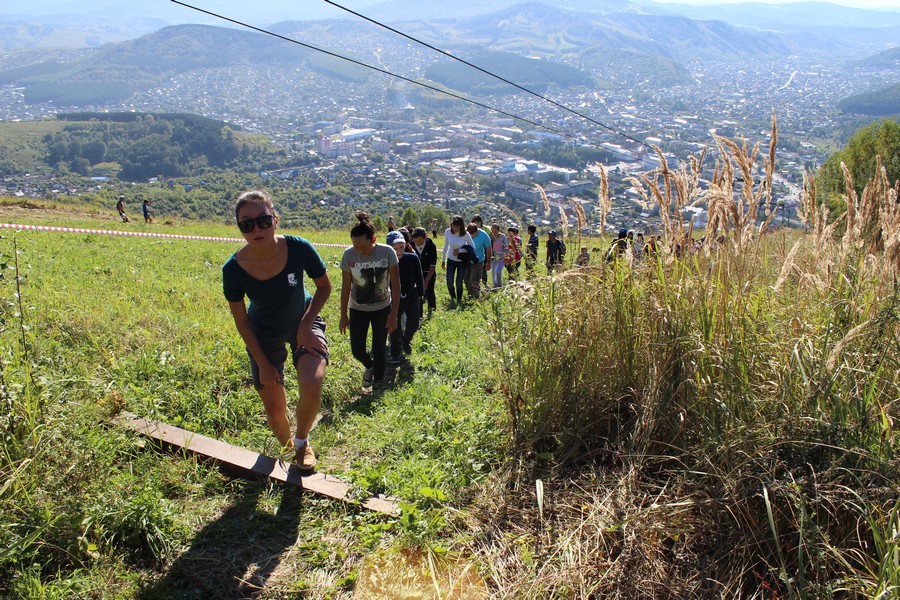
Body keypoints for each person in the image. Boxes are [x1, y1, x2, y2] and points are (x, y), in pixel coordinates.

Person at [222, 190, 331, 472]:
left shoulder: (299, 248)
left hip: (302, 318)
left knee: (313, 381)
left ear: (275, 219)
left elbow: (324, 287)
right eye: (247, 224)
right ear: (240, 228)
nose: (256, 229)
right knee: (274, 407)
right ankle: (287, 448)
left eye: (263, 220)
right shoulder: (233, 269)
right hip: (262, 331)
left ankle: (302, 441)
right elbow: (242, 321)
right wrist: (262, 362)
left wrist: (306, 326)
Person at [340, 212, 400, 389]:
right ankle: (369, 366)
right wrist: (343, 314)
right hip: (358, 308)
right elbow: (345, 286)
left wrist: (394, 314)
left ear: (373, 239)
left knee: (379, 348)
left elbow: (396, 285)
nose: (359, 250)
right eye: (355, 246)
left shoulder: (387, 252)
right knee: (357, 349)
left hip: (382, 308)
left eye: (363, 246)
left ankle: (378, 383)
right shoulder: (348, 255)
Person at [387, 231, 424, 364]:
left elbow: (419, 276)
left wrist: (421, 293)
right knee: (394, 326)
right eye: (395, 248)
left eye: (401, 247)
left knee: (414, 323)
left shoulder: (412, 258)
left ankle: (405, 341)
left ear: (406, 245)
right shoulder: (386, 262)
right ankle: (395, 352)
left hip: (412, 295)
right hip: (394, 297)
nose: (398, 251)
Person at [441, 216, 474, 308]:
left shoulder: (466, 234)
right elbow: (445, 246)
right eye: (453, 226)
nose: (455, 228)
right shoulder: (448, 232)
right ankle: (453, 297)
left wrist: (460, 250)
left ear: (461, 226)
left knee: (459, 283)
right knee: (449, 282)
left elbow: (472, 247)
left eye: (457, 226)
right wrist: (443, 260)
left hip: (461, 261)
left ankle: (459, 300)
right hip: (451, 260)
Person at [412, 227, 437, 318]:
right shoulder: (410, 245)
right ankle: (419, 314)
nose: (417, 243)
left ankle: (432, 308)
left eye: (419, 241)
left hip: (428, 272)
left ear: (425, 237)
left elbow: (432, 266)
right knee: (418, 294)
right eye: (415, 241)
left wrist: (426, 281)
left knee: (430, 291)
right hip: (416, 273)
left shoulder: (431, 245)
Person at [466, 223, 492, 299]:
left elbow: (488, 248)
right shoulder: (466, 234)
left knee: (474, 279)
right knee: (466, 279)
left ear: (476, 231)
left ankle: (473, 297)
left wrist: (489, 262)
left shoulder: (484, 235)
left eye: (472, 234)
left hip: (478, 261)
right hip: (467, 260)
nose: (470, 236)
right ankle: (474, 293)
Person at [489, 223, 508, 289]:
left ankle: (499, 285)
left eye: (494, 231)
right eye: (492, 231)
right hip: (494, 256)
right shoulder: (490, 236)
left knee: (498, 271)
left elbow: (506, 246)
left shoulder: (503, 236)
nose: (493, 232)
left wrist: (505, 249)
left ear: (498, 230)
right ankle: (495, 285)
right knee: (493, 271)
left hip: (501, 256)